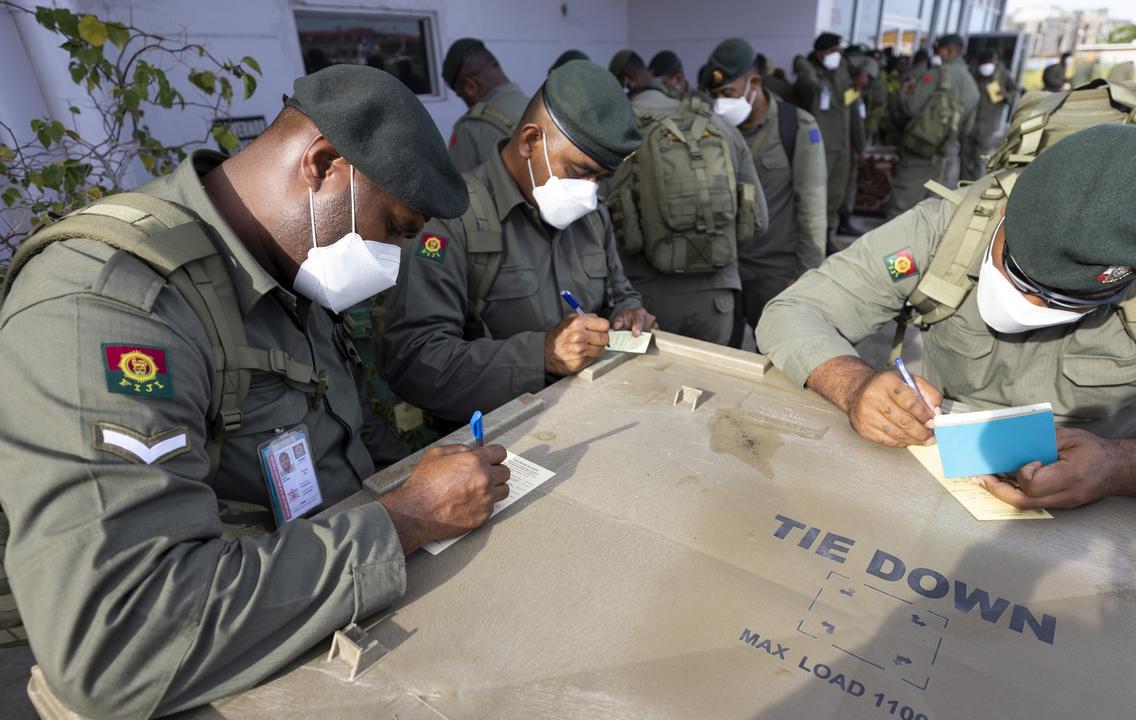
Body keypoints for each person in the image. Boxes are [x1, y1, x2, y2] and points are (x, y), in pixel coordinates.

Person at [0, 65, 512, 716]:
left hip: (327, 616)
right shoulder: (108, 306)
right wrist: (406, 519)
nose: (393, 266)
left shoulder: (284, 262)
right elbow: (117, 639)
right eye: (394, 229)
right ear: (322, 165)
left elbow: (336, 447)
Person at [758, 124, 1136, 532]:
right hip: (939, 474)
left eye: (1064, 299)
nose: (1030, 302)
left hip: (1115, 508)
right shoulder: (950, 224)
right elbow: (796, 310)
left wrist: (1123, 465)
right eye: (1020, 273)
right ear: (1006, 212)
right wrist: (854, 386)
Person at [379, 61, 657, 424]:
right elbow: (415, 364)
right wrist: (541, 354)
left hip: (593, 414)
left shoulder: (592, 216)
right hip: (501, 439)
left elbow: (619, 290)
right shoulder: (451, 221)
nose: (589, 191)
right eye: (579, 171)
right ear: (530, 141)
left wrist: (628, 312)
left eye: (600, 178)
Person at [606, 49, 768, 345]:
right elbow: (758, 221)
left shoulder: (620, 131)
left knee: (645, 389)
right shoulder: (718, 125)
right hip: (717, 299)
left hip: (646, 301)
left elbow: (604, 223)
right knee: (707, 388)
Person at [704, 38, 826, 343]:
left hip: (774, 273)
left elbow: (811, 205)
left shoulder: (795, 126)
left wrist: (806, 275)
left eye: (728, 94)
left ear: (754, 83)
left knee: (779, 360)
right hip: (726, 271)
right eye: (715, 95)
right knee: (721, 362)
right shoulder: (715, 129)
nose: (721, 103)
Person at [885, 34, 979, 219]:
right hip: (948, 157)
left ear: (949, 50)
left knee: (901, 210)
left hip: (921, 152)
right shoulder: (972, 83)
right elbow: (967, 128)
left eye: (939, 50)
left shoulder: (937, 74)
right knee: (932, 216)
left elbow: (910, 108)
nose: (937, 55)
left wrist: (903, 94)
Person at [793, 32, 855, 240]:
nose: (839, 56)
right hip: (820, 143)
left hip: (841, 142)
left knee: (836, 193)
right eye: (835, 52)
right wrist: (807, 64)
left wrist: (857, 88)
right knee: (815, 194)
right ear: (821, 53)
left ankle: (827, 236)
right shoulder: (809, 71)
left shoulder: (840, 70)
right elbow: (811, 88)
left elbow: (845, 100)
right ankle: (811, 237)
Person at [442, 38, 530, 172]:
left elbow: (458, 190)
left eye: (460, 95)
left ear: (470, 87)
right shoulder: (540, 107)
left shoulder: (469, 129)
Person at [838, 51, 879, 239]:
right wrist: (861, 147)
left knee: (848, 184)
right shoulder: (850, 89)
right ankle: (840, 223)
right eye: (867, 77)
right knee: (844, 185)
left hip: (849, 145)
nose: (868, 82)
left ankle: (843, 221)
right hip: (846, 145)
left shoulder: (853, 88)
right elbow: (855, 121)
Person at [961, 49, 1017, 181]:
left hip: (988, 124)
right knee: (964, 157)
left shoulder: (1002, 74)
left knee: (981, 159)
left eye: (990, 62)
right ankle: (963, 183)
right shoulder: (971, 72)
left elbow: (1014, 90)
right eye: (984, 63)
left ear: (995, 61)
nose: (987, 65)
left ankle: (975, 187)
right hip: (969, 123)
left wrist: (1006, 95)